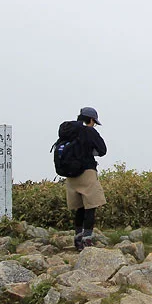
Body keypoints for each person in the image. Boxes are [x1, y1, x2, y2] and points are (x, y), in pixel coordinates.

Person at [58, 106, 107, 251]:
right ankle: (87, 240)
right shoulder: (89, 131)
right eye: (94, 122)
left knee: (79, 208)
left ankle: (77, 239)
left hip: (71, 175)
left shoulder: (68, 131)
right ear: (91, 120)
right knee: (91, 206)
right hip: (87, 172)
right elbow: (102, 150)